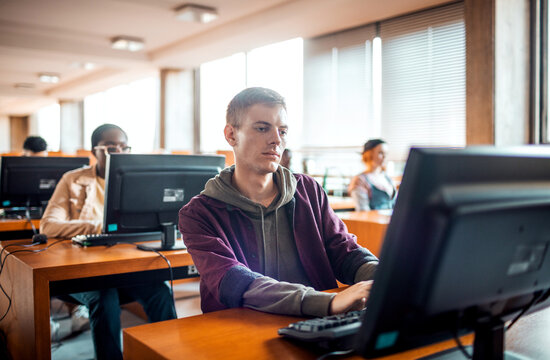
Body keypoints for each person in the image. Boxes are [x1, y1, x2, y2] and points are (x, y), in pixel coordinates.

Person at [179, 87, 378, 318]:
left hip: (319, 320)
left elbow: (344, 251)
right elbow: (234, 281)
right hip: (241, 329)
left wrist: (383, 276)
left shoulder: (308, 190)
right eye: (262, 128)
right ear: (231, 135)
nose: (276, 139)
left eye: (282, 131)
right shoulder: (198, 213)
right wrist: (327, 302)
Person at [40, 124, 177, 360]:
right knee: (104, 297)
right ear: (95, 151)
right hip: (82, 269)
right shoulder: (72, 180)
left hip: (123, 264)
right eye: (111, 147)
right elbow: (48, 225)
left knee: (160, 292)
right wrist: (99, 228)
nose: (119, 152)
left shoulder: (137, 182)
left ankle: (168, 354)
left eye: (125, 147)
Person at [348, 139, 396, 211]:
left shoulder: (387, 178)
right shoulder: (360, 180)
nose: (385, 157)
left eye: (386, 153)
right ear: (369, 154)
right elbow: (363, 211)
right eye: (381, 153)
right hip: (373, 221)